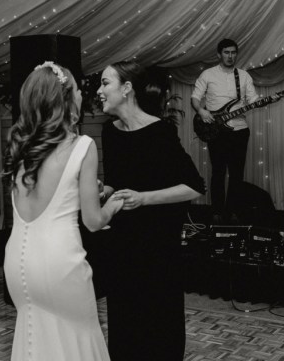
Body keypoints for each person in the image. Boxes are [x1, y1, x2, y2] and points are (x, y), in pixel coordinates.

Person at [2, 62, 123, 361]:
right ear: (65, 98)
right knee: (78, 344)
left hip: (18, 265)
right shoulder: (82, 145)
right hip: (60, 264)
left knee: (35, 341)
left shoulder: (21, 149)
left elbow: (45, 197)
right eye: (79, 91)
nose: (83, 95)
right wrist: (113, 204)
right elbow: (93, 222)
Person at [98, 61, 205, 361]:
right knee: (124, 323)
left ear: (127, 88)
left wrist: (144, 198)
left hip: (158, 247)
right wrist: (102, 190)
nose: (99, 90)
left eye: (105, 83)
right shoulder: (110, 132)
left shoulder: (160, 132)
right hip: (122, 245)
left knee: (158, 324)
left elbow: (194, 186)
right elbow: (117, 184)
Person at [191, 39, 260, 223]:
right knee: (218, 172)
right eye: (227, 52)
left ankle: (234, 210)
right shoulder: (208, 74)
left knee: (237, 173)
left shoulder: (244, 76)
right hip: (217, 131)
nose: (230, 56)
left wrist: (257, 101)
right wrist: (201, 111)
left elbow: (253, 99)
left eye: (233, 52)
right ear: (219, 54)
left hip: (240, 130)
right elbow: (195, 97)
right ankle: (217, 211)